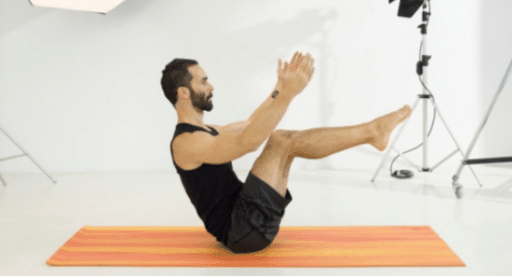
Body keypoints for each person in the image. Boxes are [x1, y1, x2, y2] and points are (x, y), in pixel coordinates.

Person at [161, 52, 411, 254]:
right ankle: (372, 132)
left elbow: (251, 124)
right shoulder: (185, 143)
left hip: (249, 222)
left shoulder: (208, 130)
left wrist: (280, 87)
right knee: (281, 140)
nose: (211, 86)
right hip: (240, 232)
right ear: (183, 92)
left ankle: (373, 132)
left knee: (283, 141)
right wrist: (289, 93)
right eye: (203, 81)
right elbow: (249, 142)